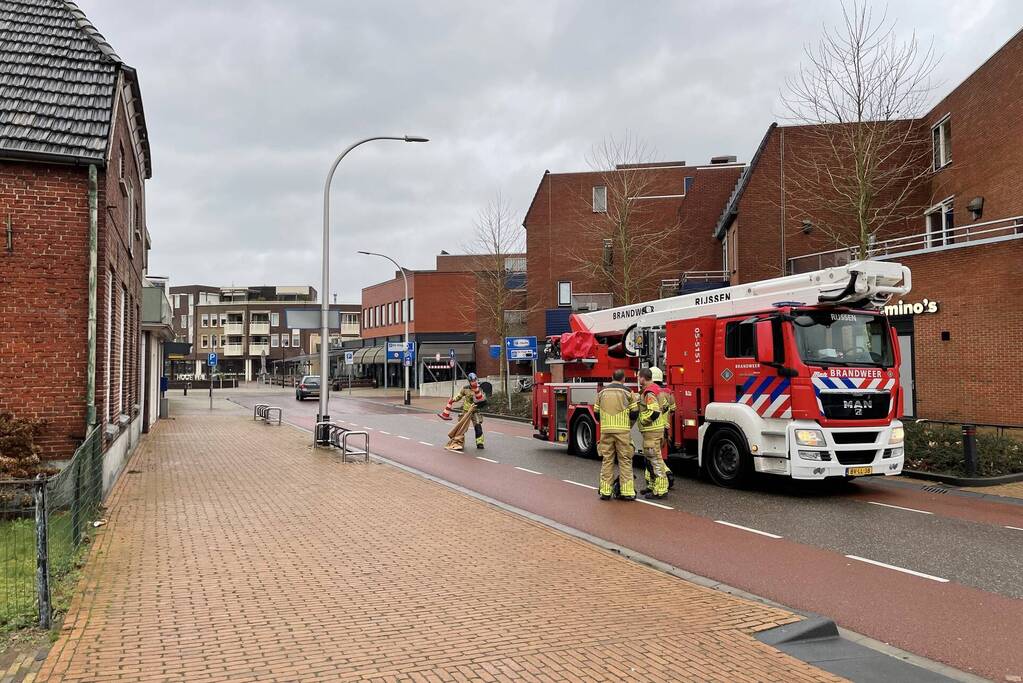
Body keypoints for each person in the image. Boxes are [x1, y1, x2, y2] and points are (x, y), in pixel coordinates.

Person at [594, 368, 639, 500]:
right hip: (622, 431)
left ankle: (605, 492)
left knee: (607, 460)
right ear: (623, 379)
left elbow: (596, 413)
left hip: (606, 431)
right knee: (625, 460)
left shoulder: (601, 392)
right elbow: (635, 413)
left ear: (611, 378)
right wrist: (627, 423)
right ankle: (627, 492)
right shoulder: (628, 392)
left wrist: (606, 422)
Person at [637, 367, 669, 499]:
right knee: (650, 460)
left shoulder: (649, 393)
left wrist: (644, 420)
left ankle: (661, 489)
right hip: (656, 431)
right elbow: (666, 407)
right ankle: (653, 486)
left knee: (655, 460)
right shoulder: (657, 390)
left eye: (639, 377)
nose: (638, 380)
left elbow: (654, 412)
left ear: (643, 378)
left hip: (652, 431)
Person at [438, 372, 487, 449]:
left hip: (475, 411)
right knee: (462, 428)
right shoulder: (465, 388)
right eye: (472, 380)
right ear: (469, 381)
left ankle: (480, 443)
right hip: (466, 411)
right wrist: (453, 400)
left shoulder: (479, 388)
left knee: (478, 426)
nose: (474, 382)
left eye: (475, 380)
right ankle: (459, 442)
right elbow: (459, 396)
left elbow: (483, 399)